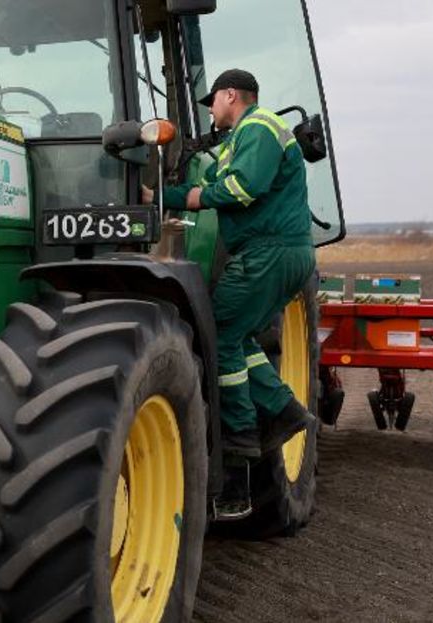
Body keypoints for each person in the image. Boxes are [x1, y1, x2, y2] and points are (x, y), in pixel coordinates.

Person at [145, 69, 318, 519]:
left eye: (213, 103)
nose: (211, 111)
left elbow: (241, 190)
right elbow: (210, 183)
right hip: (277, 253)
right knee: (238, 338)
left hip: (267, 252)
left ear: (229, 95)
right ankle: (284, 410)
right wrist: (161, 196)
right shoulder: (240, 137)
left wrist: (188, 198)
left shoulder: (258, 127)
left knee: (218, 335)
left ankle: (239, 449)